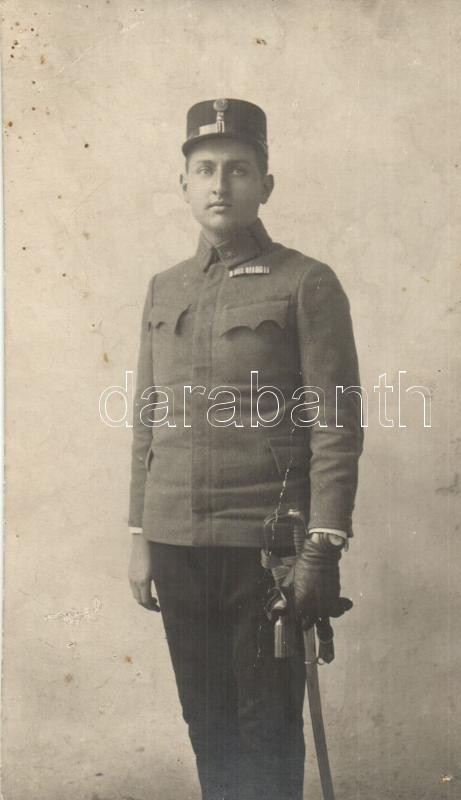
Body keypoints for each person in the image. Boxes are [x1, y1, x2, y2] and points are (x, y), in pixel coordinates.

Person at [127, 98, 363, 800]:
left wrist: (323, 546)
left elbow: (337, 422)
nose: (219, 184)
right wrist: (140, 533)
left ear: (266, 183)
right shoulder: (163, 289)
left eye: (238, 168)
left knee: (265, 730)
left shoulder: (305, 282)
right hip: (177, 545)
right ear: (183, 184)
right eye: (204, 169)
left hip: (267, 549)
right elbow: (146, 420)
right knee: (208, 724)